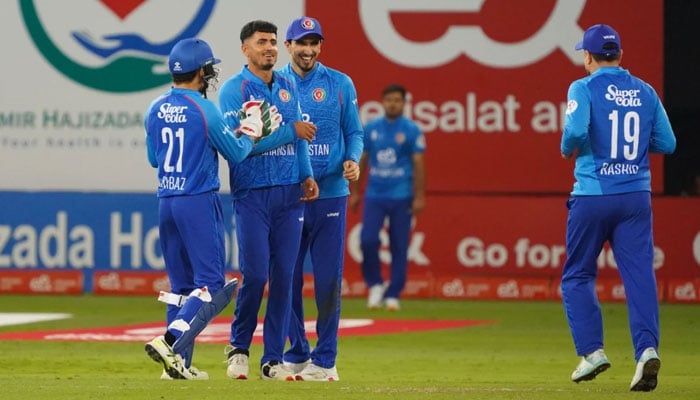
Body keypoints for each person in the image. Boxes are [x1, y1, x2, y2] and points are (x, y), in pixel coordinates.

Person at [142, 37, 281, 380]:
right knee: (211, 283)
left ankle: (177, 366)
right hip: (197, 201)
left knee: (181, 287)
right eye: (209, 69)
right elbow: (236, 153)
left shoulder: (154, 108)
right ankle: (170, 342)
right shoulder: (206, 109)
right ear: (201, 71)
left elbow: (154, 159)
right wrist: (251, 132)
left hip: (166, 201)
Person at [559, 24, 676, 392]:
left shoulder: (582, 87)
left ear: (588, 57)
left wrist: (567, 148)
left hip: (593, 195)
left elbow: (575, 132)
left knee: (577, 275)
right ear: (620, 55)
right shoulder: (646, 91)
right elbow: (667, 143)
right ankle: (647, 351)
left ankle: (592, 352)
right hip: (635, 197)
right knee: (639, 274)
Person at [218, 20, 319, 381]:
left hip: (290, 193)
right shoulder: (233, 90)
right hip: (252, 194)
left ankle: (272, 358)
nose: (270, 48)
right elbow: (241, 147)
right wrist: (290, 131)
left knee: (284, 277)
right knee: (256, 274)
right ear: (245, 49)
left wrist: (306, 174)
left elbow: (301, 137)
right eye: (261, 42)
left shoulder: (289, 85)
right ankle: (239, 347)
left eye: (273, 42)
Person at [280, 16, 364, 382]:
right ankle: (298, 352)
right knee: (287, 279)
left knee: (328, 281)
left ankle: (326, 361)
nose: (308, 50)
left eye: (314, 43)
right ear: (288, 46)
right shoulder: (276, 84)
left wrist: (352, 160)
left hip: (331, 196)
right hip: (289, 196)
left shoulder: (340, 83)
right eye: (302, 43)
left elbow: (355, 132)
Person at [349, 84, 426, 311]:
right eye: (389, 100)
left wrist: (419, 196)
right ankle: (374, 284)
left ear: (404, 103)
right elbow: (362, 159)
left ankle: (393, 293)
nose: (393, 104)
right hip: (375, 195)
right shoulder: (372, 128)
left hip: (401, 195)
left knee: (399, 245)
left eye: (397, 100)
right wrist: (355, 192)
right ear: (383, 102)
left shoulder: (411, 130)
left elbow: (419, 164)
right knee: (368, 240)